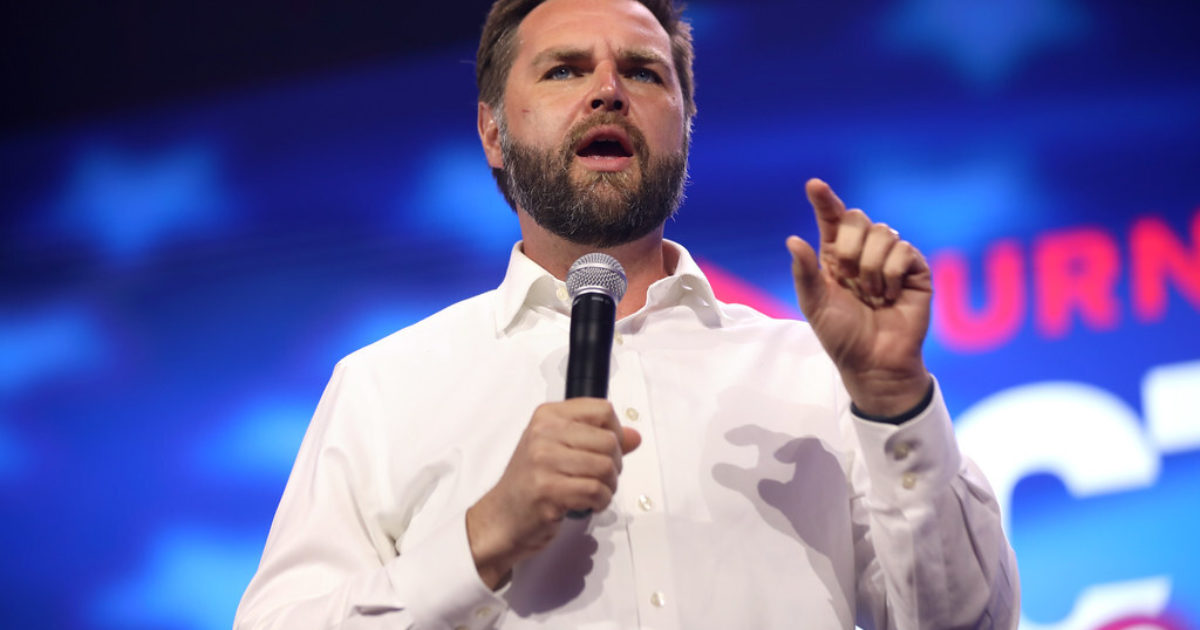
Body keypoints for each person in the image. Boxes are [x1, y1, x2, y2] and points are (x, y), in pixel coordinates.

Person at [235, 0, 1020, 627]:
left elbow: (972, 623)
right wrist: (481, 538)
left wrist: (892, 402)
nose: (607, 89)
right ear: (492, 134)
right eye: (564, 70)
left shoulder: (814, 373)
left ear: (683, 126)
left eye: (643, 72)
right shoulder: (385, 389)